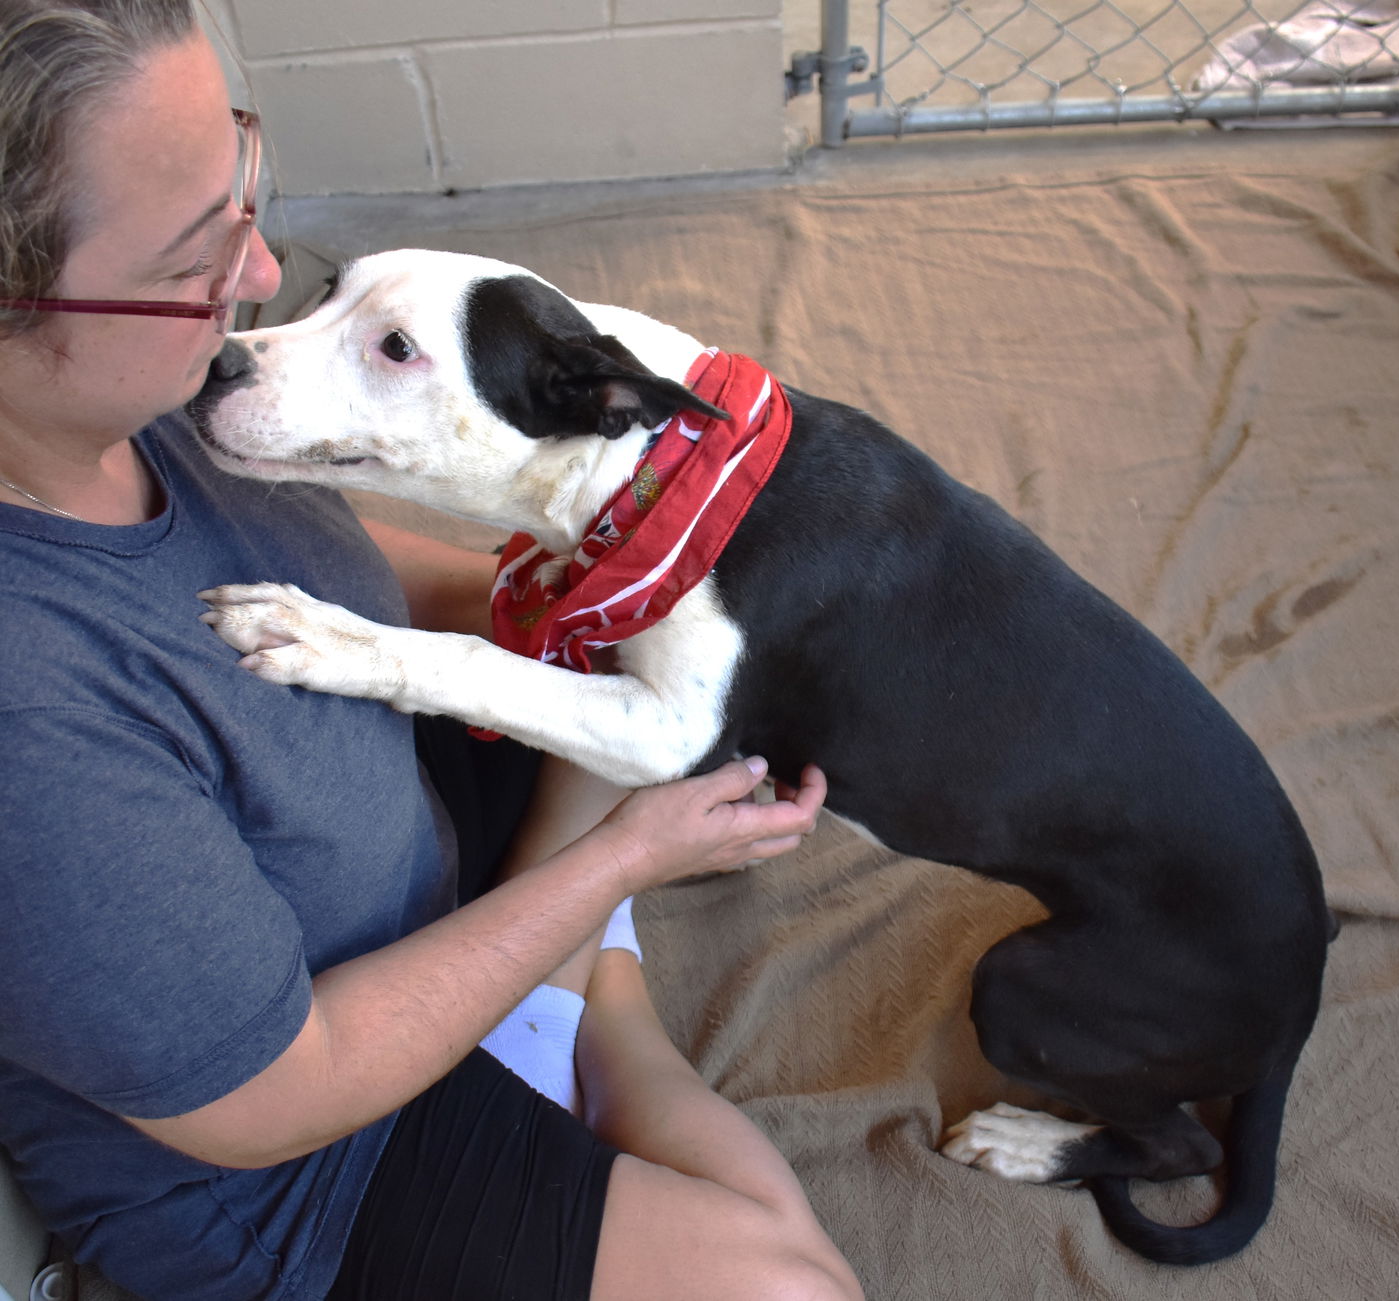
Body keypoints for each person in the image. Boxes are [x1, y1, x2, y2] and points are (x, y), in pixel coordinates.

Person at [0, 2, 865, 1298]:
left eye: (242, 186)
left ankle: (568, 1001)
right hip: (289, 1157)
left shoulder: (160, 394)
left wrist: (617, 607)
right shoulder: (31, 720)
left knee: (644, 676)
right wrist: (630, 855)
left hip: (401, 833)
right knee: (797, 1284)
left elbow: (338, 578)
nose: (254, 278)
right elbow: (274, 1096)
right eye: (193, 257)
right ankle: (592, 1008)